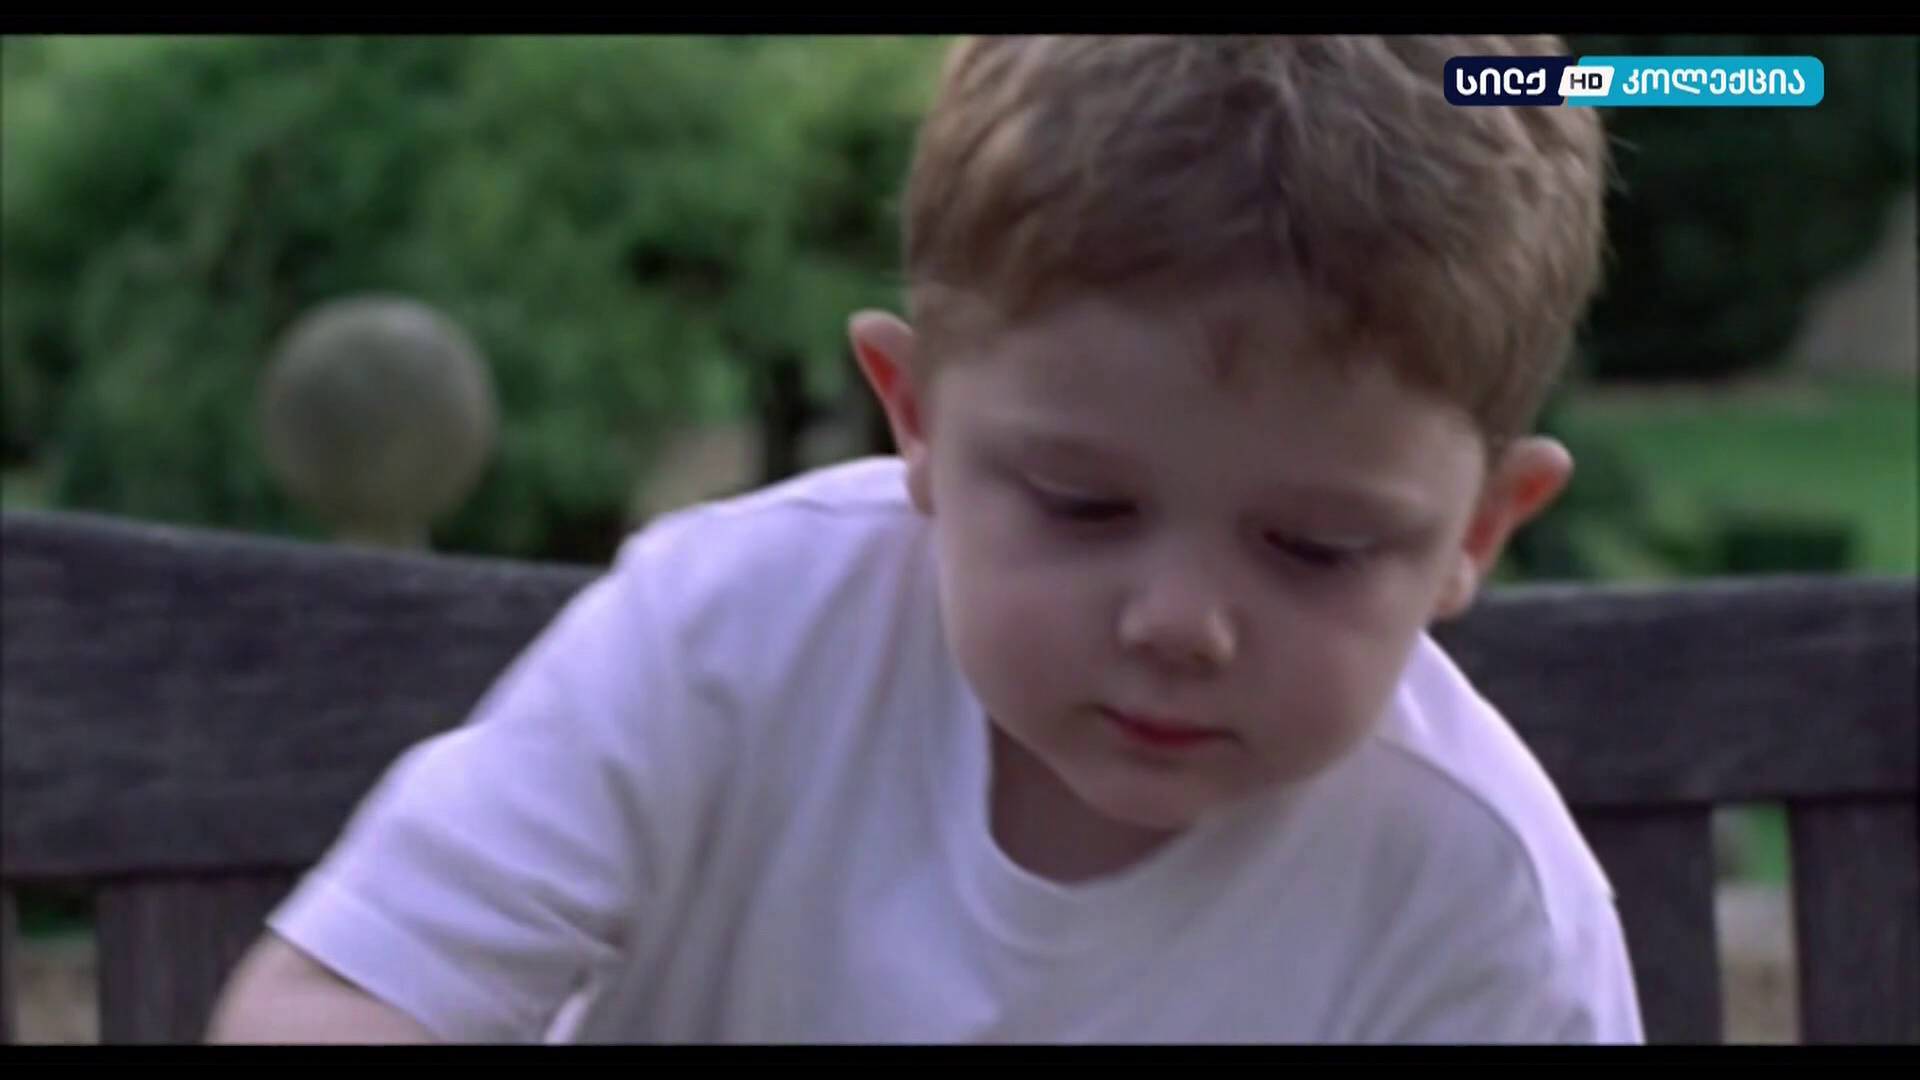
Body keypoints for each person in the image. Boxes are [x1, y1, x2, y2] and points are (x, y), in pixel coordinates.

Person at [208, 34, 1644, 1044]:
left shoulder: (1484, 906)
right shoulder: (730, 634)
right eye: (1083, 504)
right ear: (917, 418)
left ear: (1477, 530)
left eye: (1314, 547)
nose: (1178, 622)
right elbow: (328, 1006)